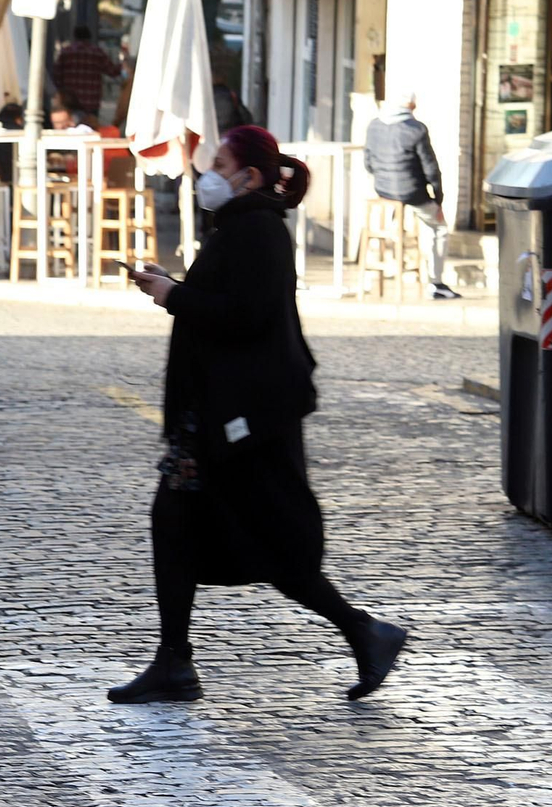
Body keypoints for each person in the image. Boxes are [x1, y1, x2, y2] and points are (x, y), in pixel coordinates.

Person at [116, 125, 407, 705]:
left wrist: (174, 295)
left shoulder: (259, 231)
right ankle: (174, 662)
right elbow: (228, 306)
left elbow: (245, 316)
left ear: (249, 176)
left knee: (272, 544)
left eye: (220, 166)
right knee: (177, 525)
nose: (209, 176)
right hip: (219, 414)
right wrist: (172, 286)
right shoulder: (241, 226)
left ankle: (364, 631)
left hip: (245, 419)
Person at [363, 92, 460, 300]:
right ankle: (436, 283)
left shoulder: (374, 125)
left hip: (384, 191)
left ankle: (371, 277)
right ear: (411, 106)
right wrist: (438, 200)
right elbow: (431, 169)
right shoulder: (416, 129)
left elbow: (368, 163)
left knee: (384, 228)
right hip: (412, 192)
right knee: (439, 228)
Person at [52, 25, 115, 121]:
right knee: (91, 126)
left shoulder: (65, 52)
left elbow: (57, 76)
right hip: (91, 101)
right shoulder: (97, 53)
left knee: (70, 126)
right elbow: (112, 71)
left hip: (70, 101)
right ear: (89, 36)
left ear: (74, 36)